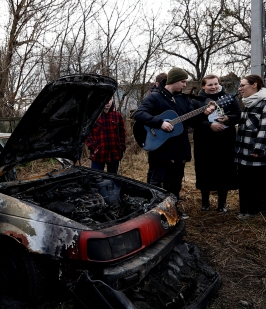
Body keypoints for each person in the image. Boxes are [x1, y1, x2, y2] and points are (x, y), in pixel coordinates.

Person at [134, 67, 214, 207]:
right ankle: (153, 210)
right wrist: (160, 123)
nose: (184, 85)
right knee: (157, 182)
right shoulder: (155, 97)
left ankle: (172, 210)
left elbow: (192, 121)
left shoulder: (183, 99)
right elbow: (139, 113)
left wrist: (204, 114)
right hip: (160, 148)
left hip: (179, 148)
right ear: (173, 80)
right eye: (182, 81)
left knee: (175, 183)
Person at [235, 75, 266, 219]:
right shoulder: (250, 103)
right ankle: (246, 208)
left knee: (256, 181)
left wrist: (258, 149)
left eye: (243, 85)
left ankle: (256, 210)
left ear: (254, 85)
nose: (240, 89)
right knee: (245, 180)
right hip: (244, 150)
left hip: (255, 152)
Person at [192, 75, 240, 212]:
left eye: (215, 84)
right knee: (204, 170)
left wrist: (228, 118)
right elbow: (193, 121)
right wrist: (209, 125)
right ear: (203, 86)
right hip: (204, 141)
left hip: (225, 141)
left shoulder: (229, 98)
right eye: (209, 85)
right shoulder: (197, 101)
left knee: (224, 170)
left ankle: (222, 204)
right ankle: (205, 202)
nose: (213, 87)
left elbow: (238, 115)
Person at [85, 97, 126, 174]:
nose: (107, 102)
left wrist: (121, 147)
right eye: (106, 99)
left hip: (114, 154)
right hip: (98, 155)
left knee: (113, 180)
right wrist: (94, 148)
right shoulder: (93, 116)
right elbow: (87, 134)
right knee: (95, 179)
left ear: (113, 100)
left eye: (110, 99)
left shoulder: (117, 115)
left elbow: (122, 133)